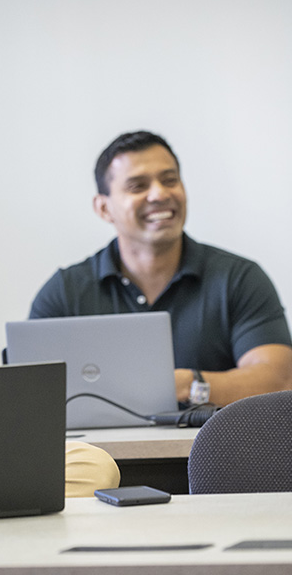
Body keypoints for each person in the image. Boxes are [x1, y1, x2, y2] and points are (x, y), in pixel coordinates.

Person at [30, 130, 292, 408]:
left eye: (170, 180)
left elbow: (279, 380)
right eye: (138, 186)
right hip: (99, 451)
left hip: (217, 450)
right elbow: (27, 394)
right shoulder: (64, 291)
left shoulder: (239, 279)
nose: (159, 194)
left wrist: (189, 385)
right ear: (104, 208)